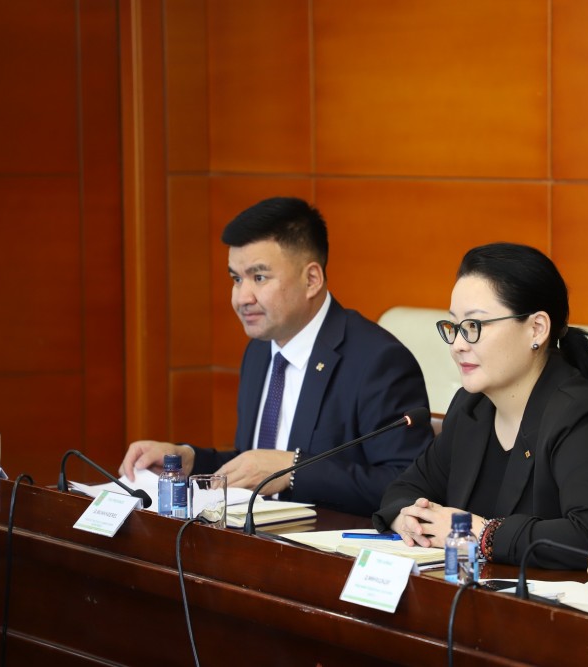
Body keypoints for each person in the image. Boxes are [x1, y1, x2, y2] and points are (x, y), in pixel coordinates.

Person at [119, 197, 433, 516]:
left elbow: (408, 487)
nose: (242, 297)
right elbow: (256, 465)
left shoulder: (378, 361)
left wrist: (294, 470)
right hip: (251, 537)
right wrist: (189, 461)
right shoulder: (260, 350)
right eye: (236, 279)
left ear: (311, 279)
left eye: (259, 277)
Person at [373, 243, 588, 569]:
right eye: (454, 327)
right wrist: (408, 519)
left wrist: (484, 534)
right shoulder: (471, 407)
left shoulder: (585, 417)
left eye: (475, 326)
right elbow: (405, 488)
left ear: (536, 329)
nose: (458, 345)